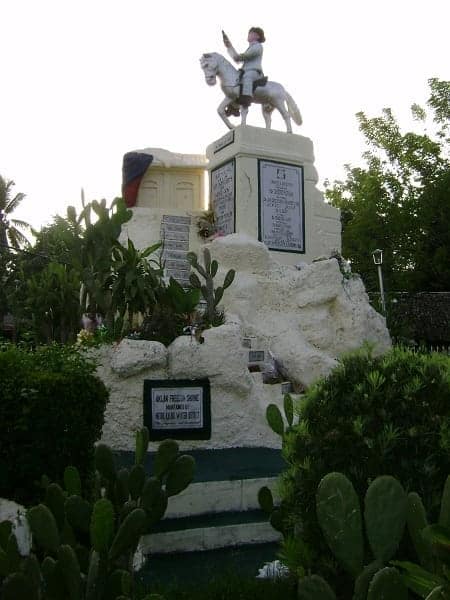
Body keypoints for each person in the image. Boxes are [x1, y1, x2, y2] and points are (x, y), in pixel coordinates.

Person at [222, 27, 266, 107]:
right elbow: (237, 58)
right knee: (234, 83)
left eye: (251, 33)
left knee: (247, 77)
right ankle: (234, 106)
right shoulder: (251, 47)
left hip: (254, 72)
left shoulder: (258, 46)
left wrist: (231, 47)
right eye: (249, 33)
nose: (249, 35)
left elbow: (240, 57)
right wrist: (229, 46)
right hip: (246, 71)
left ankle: (247, 98)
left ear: (257, 36)